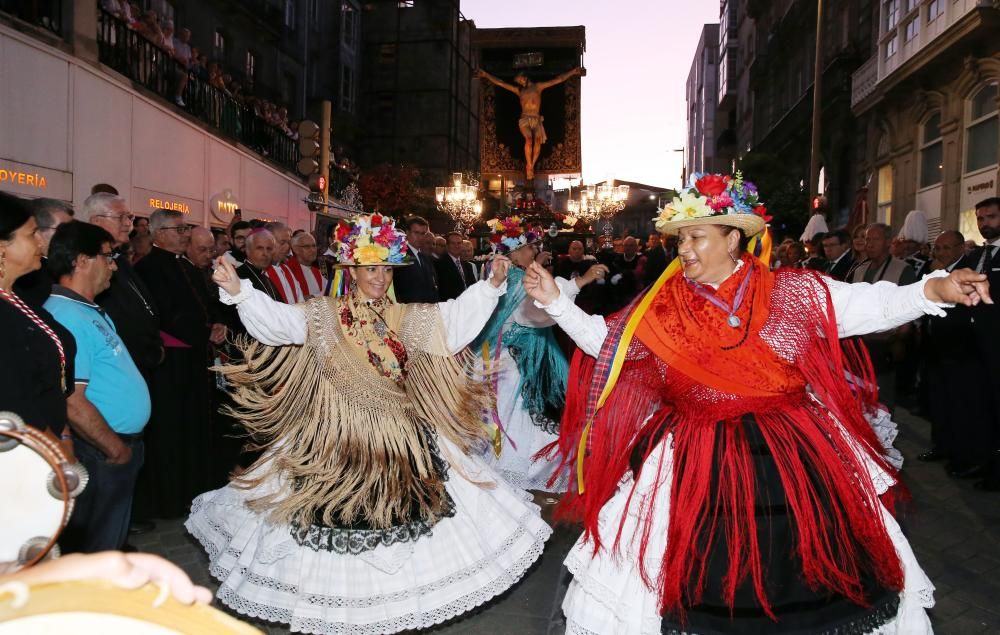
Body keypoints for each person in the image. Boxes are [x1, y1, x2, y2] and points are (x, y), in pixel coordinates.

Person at [521, 172, 989, 634]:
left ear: (732, 239)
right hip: (692, 451)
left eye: (696, 236)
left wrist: (936, 289)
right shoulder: (662, 306)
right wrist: (557, 304)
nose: (682, 249)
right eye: (680, 239)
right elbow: (611, 345)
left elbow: (866, 306)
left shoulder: (790, 292)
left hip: (789, 454)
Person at [186, 214, 551, 633]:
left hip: (399, 442)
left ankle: (384, 615)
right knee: (325, 533)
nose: (379, 277)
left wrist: (489, 287)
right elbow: (279, 324)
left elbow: (454, 323)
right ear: (351, 271)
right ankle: (340, 615)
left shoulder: (408, 317)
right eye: (370, 268)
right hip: (334, 441)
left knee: (403, 539)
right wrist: (239, 291)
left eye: (385, 269)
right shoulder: (323, 315)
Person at [472, 218, 606, 492]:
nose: (533, 252)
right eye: (529, 249)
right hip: (511, 360)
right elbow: (539, 311)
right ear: (515, 253)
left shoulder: (496, 272)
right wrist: (582, 281)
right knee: (515, 413)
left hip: (497, 357)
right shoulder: (517, 279)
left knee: (503, 413)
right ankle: (517, 467)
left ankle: (499, 463)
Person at [46, 222, 151, 552]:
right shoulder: (66, 315)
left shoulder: (85, 310)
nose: (114, 265)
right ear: (81, 260)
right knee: (97, 549)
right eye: (108, 256)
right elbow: (72, 401)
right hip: (99, 450)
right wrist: (114, 448)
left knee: (110, 541)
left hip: (112, 446)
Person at [0, 192, 76, 443]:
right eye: (32, 234)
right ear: (2, 247)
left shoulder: (20, 297)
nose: (40, 244)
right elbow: (13, 400)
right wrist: (54, 448)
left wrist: (62, 434)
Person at [478, 66, 582, 180]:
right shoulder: (520, 91)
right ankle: (529, 166)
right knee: (529, 139)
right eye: (518, 82)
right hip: (525, 119)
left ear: (525, 77)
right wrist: (485, 74)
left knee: (537, 141)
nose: (519, 83)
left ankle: (531, 165)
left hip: (536, 120)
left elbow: (559, 79)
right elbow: (500, 83)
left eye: (519, 80)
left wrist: (573, 72)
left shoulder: (538, 87)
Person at [962, 197, 1000, 491]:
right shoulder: (978, 255)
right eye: (981, 218)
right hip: (977, 347)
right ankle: (985, 462)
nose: (984, 223)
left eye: (991, 217)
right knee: (982, 407)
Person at [14, 197, 74, 307]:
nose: (71, 237)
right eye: (64, 230)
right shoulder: (27, 273)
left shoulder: (63, 265)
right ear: (38, 230)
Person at [392, 216, 439, 303]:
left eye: (423, 233)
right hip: (408, 310)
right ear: (407, 232)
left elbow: (433, 287)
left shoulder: (426, 258)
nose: (420, 237)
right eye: (416, 233)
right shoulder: (399, 256)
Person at [434, 231, 475, 300]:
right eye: (453, 243)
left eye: (459, 243)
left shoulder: (468, 266)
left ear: (462, 244)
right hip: (450, 306)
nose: (456, 246)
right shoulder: (439, 264)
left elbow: (473, 287)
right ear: (447, 245)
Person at [286, 231, 326, 298]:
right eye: (307, 247)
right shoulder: (287, 271)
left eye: (314, 246)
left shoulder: (317, 272)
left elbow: (328, 290)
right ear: (295, 249)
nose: (313, 250)